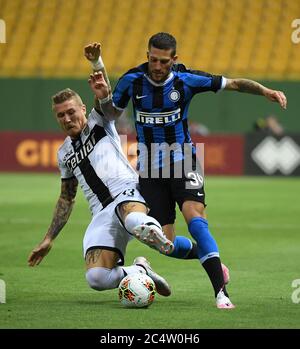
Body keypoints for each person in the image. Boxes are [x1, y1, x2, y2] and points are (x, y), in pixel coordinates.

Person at [85, 33, 287, 309]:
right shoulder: (132, 81)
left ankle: (221, 292)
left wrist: (265, 91)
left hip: (183, 160)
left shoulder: (186, 80)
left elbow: (234, 83)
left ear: (174, 59)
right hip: (150, 169)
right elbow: (109, 114)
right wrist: (101, 91)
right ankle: (211, 258)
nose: (157, 66)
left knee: (195, 218)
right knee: (164, 243)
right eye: (153, 60)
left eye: (164, 61)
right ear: (148, 56)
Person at [27, 72, 176, 298]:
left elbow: (105, 101)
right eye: (60, 115)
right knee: (96, 278)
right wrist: (49, 238)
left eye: (71, 112)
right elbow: (67, 197)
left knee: (135, 220)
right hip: (101, 213)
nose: (67, 119)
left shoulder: (100, 121)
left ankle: (153, 231)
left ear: (83, 109)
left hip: (127, 193)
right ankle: (138, 269)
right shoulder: (64, 154)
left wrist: (98, 68)